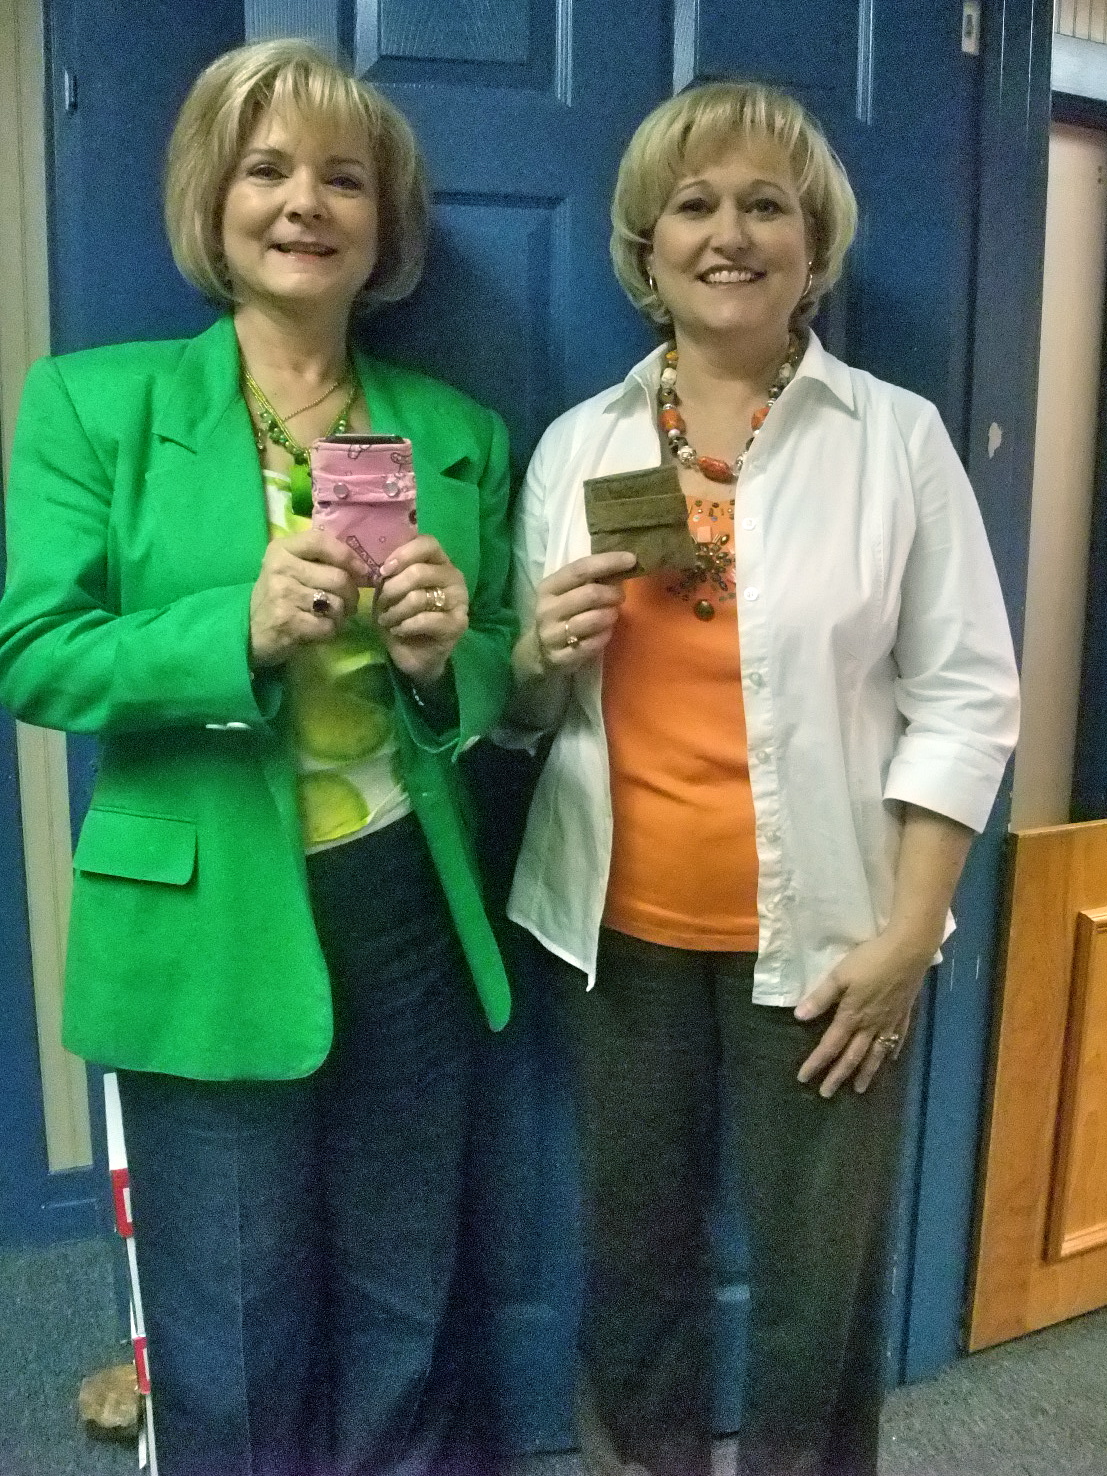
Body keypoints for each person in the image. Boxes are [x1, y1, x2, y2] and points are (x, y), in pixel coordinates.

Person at [0, 39, 515, 1476]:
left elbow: (501, 665)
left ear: (384, 221)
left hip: (406, 908)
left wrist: (445, 661)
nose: (304, 203)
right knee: (229, 1321)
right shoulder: (95, 406)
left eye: (343, 178)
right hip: (203, 914)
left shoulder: (455, 434)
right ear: (211, 202)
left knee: (405, 1298)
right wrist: (231, 629)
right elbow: (33, 651)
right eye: (266, 169)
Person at [506, 82, 1019, 1476]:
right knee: (633, 1266)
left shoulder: (894, 439)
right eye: (695, 205)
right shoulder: (581, 443)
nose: (727, 234)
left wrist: (908, 941)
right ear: (646, 244)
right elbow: (523, 713)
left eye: (764, 205)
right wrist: (538, 653)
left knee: (815, 1291)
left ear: (814, 244)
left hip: (835, 947)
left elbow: (968, 697)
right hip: (616, 934)